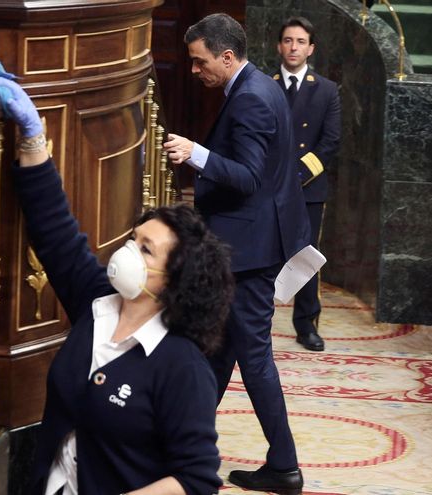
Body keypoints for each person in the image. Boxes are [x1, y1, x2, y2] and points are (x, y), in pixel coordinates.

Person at [0, 64, 234, 495]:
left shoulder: (182, 366)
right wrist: (32, 138)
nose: (128, 252)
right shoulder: (97, 303)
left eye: (145, 249)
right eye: (134, 238)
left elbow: (196, 480)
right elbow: (56, 233)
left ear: (173, 281)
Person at [162, 13, 310, 495]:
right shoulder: (258, 87)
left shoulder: (250, 98)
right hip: (253, 243)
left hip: (249, 251)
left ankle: (285, 465)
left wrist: (196, 153)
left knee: (253, 356)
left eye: (200, 61)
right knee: (220, 350)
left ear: (227, 57)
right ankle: (186, 447)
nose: (194, 70)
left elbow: (247, 176)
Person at [273, 16, 341, 352]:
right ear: (279, 46)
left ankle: (306, 324)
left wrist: (297, 176)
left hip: (307, 187)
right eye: (288, 40)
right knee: (263, 253)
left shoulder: (327, 90)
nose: (293, 47)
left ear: (311, 48)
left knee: (305, 256)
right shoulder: (265, 85)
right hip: (268, 187)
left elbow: (329, 142)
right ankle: (256, 321)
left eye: (300, 41)